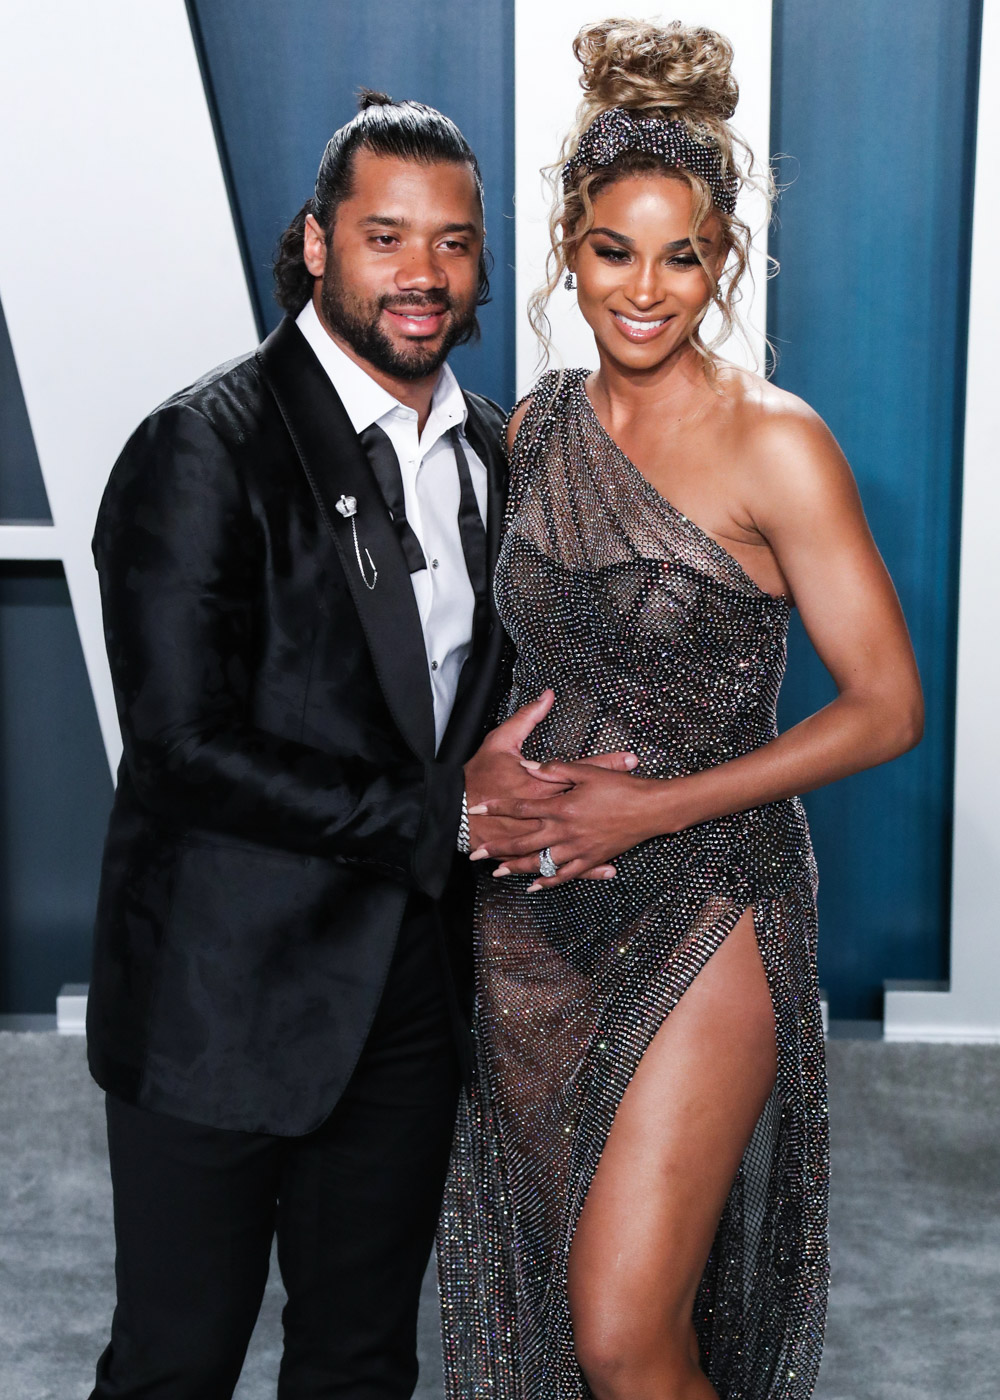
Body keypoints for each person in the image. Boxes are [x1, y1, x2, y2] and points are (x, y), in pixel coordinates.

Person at [86, 91, 626, 1400]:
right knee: (177, 1362)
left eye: (453, 240)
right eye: (386, 237)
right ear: (318, 245)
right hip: (219, 997)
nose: (423, 274)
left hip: (401, 996)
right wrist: (445, 813)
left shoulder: (500, 456)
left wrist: (569, 804)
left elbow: (497, 714)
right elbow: (179, 750)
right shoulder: (200, 449)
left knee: (362, 1362)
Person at [440, 20, 923, 1400]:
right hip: (532, 915)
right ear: (567, 248)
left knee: (622, 1328)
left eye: (682, 255)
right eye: (613, 250)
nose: (644, 290)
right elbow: (501, 660)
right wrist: (479, 762)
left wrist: (657, 804)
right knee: (552, 1293)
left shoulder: (778, 441)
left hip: (711, 893)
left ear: (725, 261)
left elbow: (888, 708)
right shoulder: (533, 431)